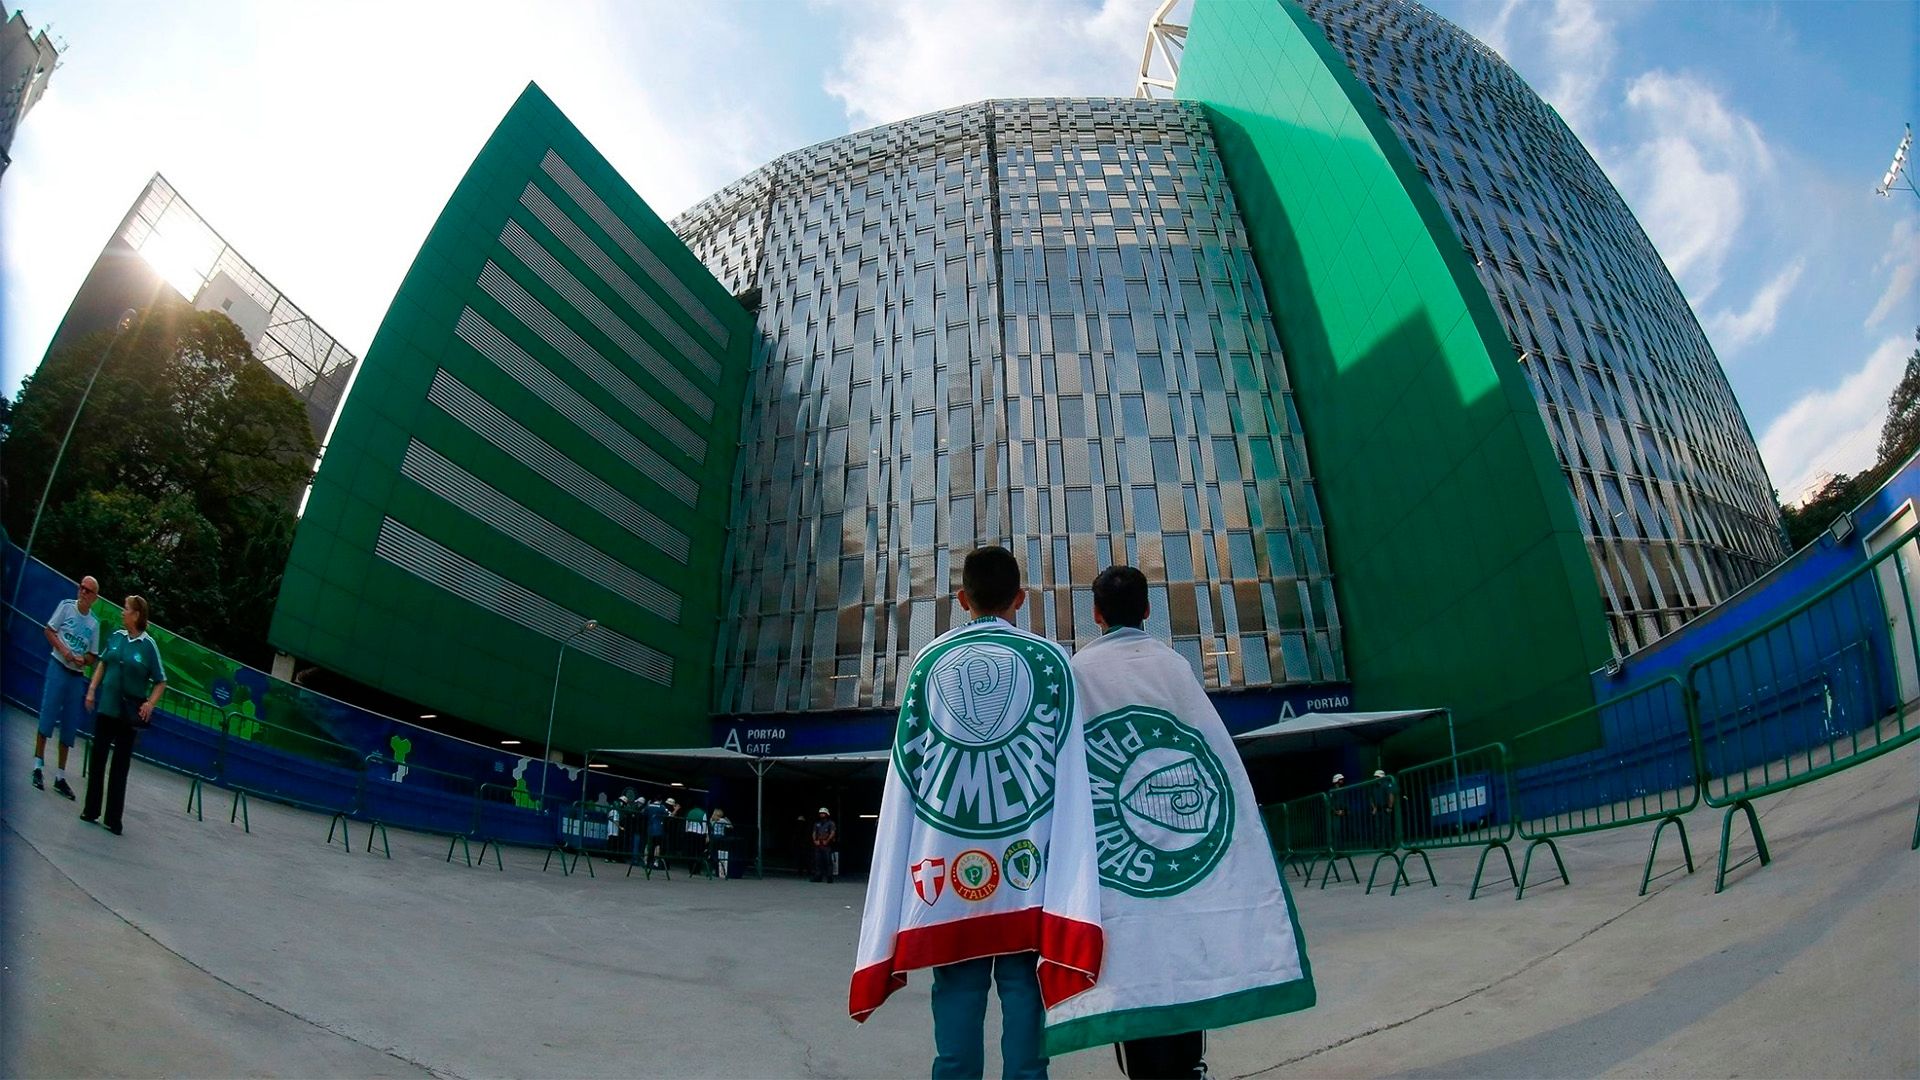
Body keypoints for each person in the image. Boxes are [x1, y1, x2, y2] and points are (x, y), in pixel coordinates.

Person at [1045, 565, 1315, 1076]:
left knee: (1132, 964)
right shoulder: (1174, 668)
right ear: (1148, 610)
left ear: (1096, 614)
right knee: (1187, 958)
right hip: (1180, 854)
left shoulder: (1078, 673)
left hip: (1117, 863)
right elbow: (1212, 757)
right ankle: (1190, 1067)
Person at [851, 545, 1103, 1080]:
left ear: (962, 599)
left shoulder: (928, 663)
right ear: (1021, 597)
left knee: (957, 997)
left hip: (946, 867)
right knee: (1025, 993)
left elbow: (908, 773)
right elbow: (1069, 769)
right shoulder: (1051, 661)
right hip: (1027, 864)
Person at [80, 595, 167, 836]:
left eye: (126, 609)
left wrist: (150, 703)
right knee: (97, 760)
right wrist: (91, 689)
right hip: (107, 708)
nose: (122, 612)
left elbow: (161, 681)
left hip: (127, 715)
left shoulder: (148, 646)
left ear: (136, 615)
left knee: (119, 766)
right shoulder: (117, 638)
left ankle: (113, 818)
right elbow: (103, 663)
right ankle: (91, 809)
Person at [32, 576, 101, 799]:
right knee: (48, 714)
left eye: (88, 590)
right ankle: (38, 765)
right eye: (81, 587)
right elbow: (49, 630)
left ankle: (60, 775)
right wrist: (64, 651)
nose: (83, 592)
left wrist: (84, 660)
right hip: (59, 666)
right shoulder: (66, 607)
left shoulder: (93, 623)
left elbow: (93, 654)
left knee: (70, 724)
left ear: (94, 597)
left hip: (76, 675)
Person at [810, 807, 837, 883]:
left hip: (827, 845)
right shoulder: (817, 823)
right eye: (821, 813)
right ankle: (818, 876)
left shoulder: (831, 823)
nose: (822, 815)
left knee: (828, 861)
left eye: (823, 813)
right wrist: (815, 840)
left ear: (827, 814)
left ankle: (829, 877)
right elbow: (814, 832)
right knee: (818, 861)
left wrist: (827, 841)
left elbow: (832, 833)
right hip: (818, 844)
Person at [710, 807, 733, 880]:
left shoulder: (711, 820)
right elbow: (730, 826)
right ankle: (721, 870)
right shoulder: (722, 820)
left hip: (713, 837)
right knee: (720, 853)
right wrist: (728, 820)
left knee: (713, 852)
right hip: (721, 838)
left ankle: (713, 868)